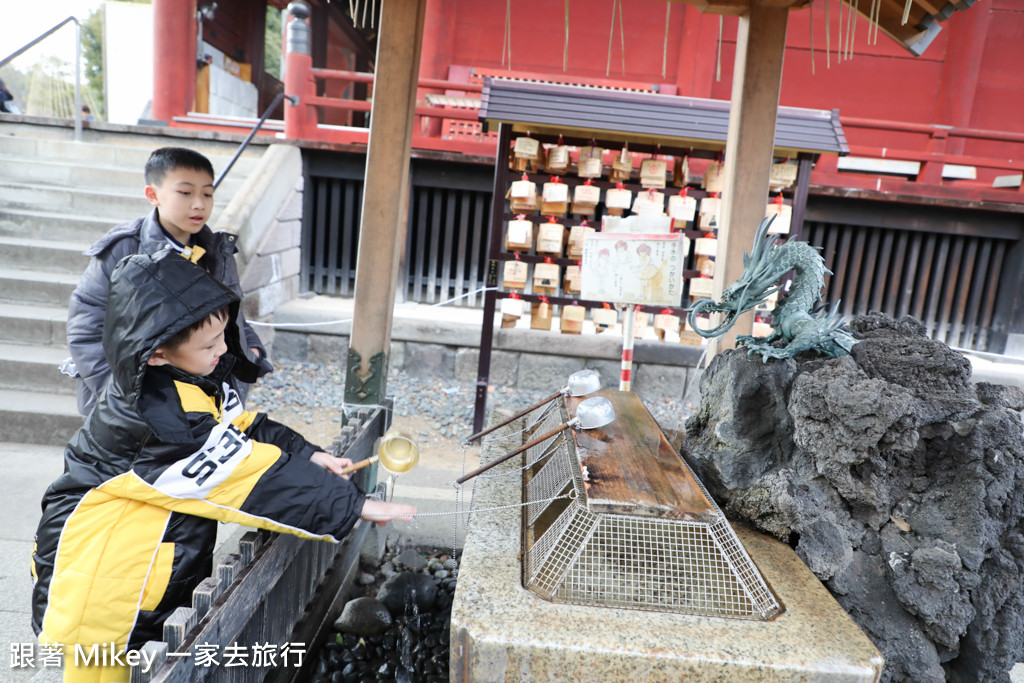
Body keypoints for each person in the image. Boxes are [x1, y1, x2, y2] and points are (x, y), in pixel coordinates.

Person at [32, 250, 417, 683]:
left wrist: (306, 453)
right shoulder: (156, 421)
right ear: (156, 353)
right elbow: (247, 471)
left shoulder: (182, 383)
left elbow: (241, 427)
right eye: (210, 344)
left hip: (136, 568)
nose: (222, 350)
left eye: (222, 336)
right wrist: (350, 506)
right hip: (103, 589)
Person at [64, 146, 271, 416]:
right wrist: (124, 399)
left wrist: (251, 351)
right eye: (185, 192)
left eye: (207, 193)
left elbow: (233, 315)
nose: (199, 203)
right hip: (134, 405)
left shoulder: (217, 252)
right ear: (153, 195)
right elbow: (86, 328)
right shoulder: (126, 249)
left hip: (205, 397)